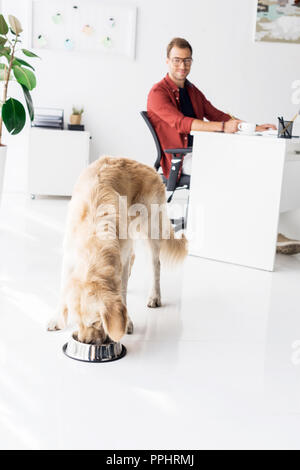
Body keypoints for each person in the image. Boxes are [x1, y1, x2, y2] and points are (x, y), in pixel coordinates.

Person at [147, 37, 300, 255]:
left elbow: (216, 114)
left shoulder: (192, 91)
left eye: (187, 60)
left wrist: (254, 126)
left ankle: (264, 233)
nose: (182, 66)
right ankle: (257, 234)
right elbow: (182, 124)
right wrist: (222, 127)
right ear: (167, 61)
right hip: (182, 158)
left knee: (251, 167)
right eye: (177, 60)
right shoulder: (157, 93)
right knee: (239, 171)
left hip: (205, 152)